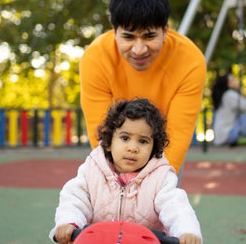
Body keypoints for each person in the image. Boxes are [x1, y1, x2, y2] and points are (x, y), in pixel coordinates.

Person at [79, 0, 206, 174]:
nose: (139, 50)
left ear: (165, 31)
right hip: (120, 145)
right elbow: (101, 132)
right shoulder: (95, 58)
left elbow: (177, 134)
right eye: (128, 37)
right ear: (114, 32)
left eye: (149, 36)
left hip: (160, 146)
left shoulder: (190, 61)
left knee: (162, 195)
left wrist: (159, 179)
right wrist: (113, 177)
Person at [49, 98, 203, 244]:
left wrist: (186, 231)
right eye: (125, 138)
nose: (133, 148)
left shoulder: (161, 178)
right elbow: (75, 199)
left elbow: (175, 206)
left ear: (153, 148)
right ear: (109, 143)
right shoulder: (91, 171)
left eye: (142, 141)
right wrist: (68, 221)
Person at [211, 72, 246, 146]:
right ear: (228, 84)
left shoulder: (225, 95)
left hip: (222, 134)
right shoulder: (229, 95)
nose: (235, 81)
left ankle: (244, 133)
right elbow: (245, 106)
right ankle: (245, 133)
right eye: (232, 80)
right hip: (227, 134)